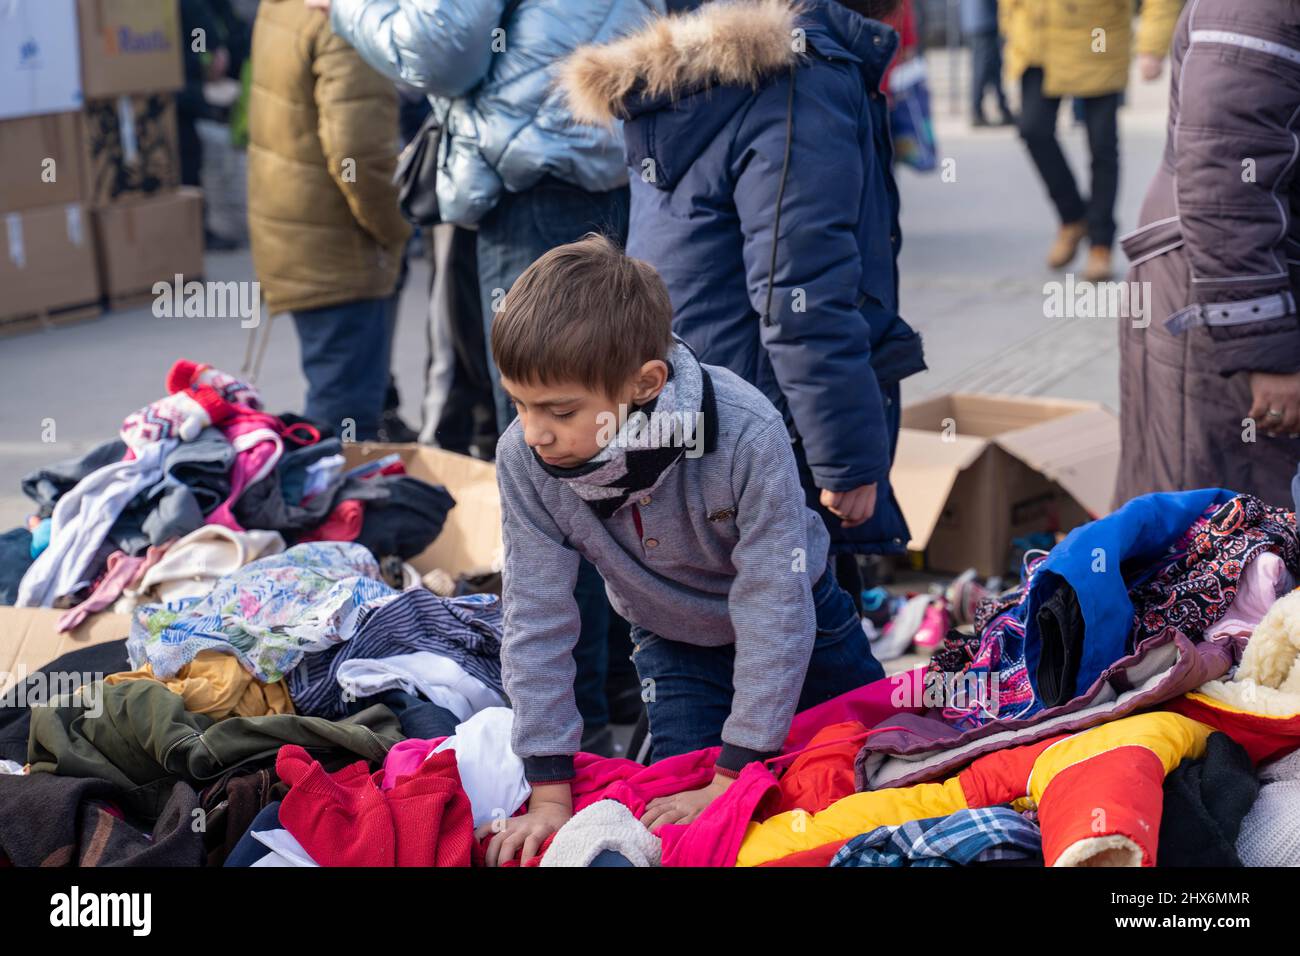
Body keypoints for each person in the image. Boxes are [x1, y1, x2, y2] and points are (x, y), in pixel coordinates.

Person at [318, 0, 663, 754]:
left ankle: (579, 732)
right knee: (595, 453)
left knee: (556, 467)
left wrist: (350, 9)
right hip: (599, 148)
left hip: (533, 163)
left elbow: (443, 44)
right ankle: (615, 704)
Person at [482, 236, 885, 865]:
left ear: (645, 383)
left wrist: (736, 773)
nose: (533, 432)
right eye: (518, 404)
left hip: (808, 629)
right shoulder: (523, 459)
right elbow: (536, 619)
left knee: (873, 776)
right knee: (683, 824)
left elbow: (774, 607)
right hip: (671, 641)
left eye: (559, 410)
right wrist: (549, 793)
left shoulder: (747, 432)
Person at [561, 0, 926, 608]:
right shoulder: (799, 80)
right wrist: (847, 459)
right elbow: (799, 299)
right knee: (803, 656)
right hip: (768, 428)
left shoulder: (713, 75)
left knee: (696, 639)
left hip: (694, 409)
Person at [1117, 0, 1300, 508]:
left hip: (1252, 285)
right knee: (1213, 538)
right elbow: (1225, 183)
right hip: (1219, 296)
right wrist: (1267, 352)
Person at [247, 0, 410, 440]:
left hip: (298, 230)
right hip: (339, 244)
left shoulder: (283, 7)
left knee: (338, 404)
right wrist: (398, 227)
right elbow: (358, 153)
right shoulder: (342, 16)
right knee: (343, 422)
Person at [1000, 0, 1181, 282]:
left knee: (1102, 146)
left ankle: (1100, 244)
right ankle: (1072, 217)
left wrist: (1152, 47)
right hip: (1037, 40)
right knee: (1033, 130)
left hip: (1098, 39)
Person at [962, 0, 1012, 127]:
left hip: (983, 19)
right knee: (982, 68)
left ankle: (1002, 108)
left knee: (993, 66)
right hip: (983, 20)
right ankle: (977, 111)